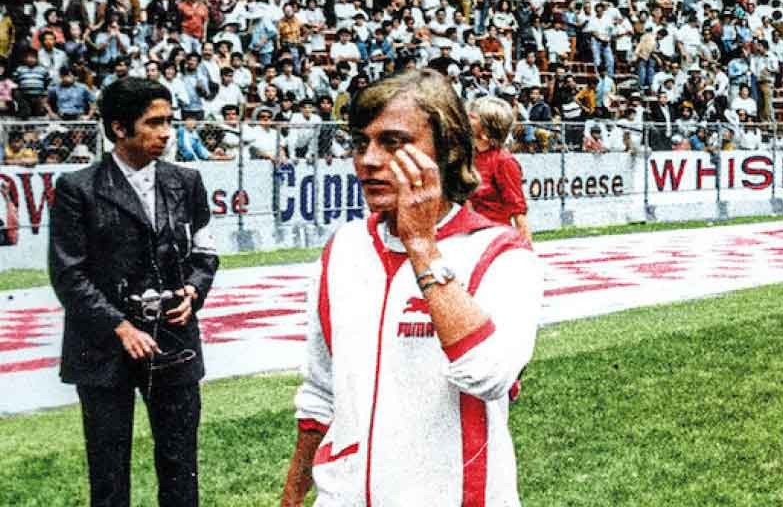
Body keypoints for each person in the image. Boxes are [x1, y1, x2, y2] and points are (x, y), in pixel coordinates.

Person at [279, 70, 541, 506]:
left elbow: (489, 373)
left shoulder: (501, 254)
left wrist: (422, 247)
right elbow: (320, 394)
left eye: (394, 143)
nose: (369, 160)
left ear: (450, 149)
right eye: (361, 143)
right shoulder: (345, 247)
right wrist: (291, 498)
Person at [48, 76, 218, 507]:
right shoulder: (78, 188)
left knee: (181, 464)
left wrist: (193, 291)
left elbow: (206, 252)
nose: (167, 133)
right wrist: (120, 327)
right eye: (154, 123)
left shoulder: (187, 182)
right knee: (109, 469)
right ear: (119, 128)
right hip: (103, 349)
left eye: (169, 121)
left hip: (174, 343)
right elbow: (69, 274)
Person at [467, 95, 530, 242]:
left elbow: (518, 212)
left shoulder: (503, 161)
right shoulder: (468, 157)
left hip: (494, 238)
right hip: (467, 237)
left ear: (486, 131)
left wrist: (526, 253)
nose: (466, 120)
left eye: (473, 117)